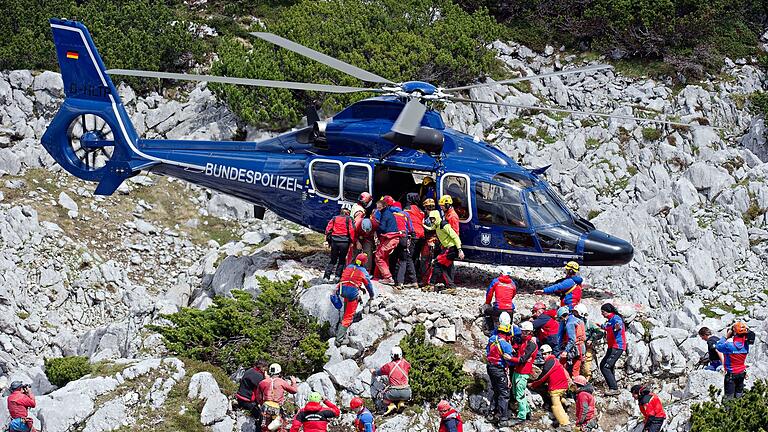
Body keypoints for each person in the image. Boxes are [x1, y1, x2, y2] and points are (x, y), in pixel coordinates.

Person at [335, 253, 375, 346]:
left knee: (346, 311)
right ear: (364, 262)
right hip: (352, 294)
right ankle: (339, 340)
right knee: (348, 316)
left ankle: (343, 330)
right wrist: (372, 295)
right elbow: (368, 285)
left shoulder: (349, 266)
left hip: (343, 290)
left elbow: (348, 279)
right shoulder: (363, 271)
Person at [529, 344, 570, 429]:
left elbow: (543, 376)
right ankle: (565, 402)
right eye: (543, 354)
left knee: (555, 405)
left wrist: (533, 384)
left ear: (549, 353)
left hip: (556, 387)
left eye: (545, 354)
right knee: (557, 396)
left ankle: (564, 423)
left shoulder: (550, 362)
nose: (544, 356)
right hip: (562, 385)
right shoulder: (554, 360)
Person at [508, 321, 538, 426]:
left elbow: (523, 359)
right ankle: (527, 411)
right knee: (517, 393)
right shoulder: (524, 342)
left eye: (524, 332)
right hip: (518, 370)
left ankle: (521, 417)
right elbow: (520, 355)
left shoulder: (531, 345)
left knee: (519, 394)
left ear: (529, 332)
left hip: (523, 372)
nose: (522, 333)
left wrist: (510, 358)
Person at [427, 210, 464, 293]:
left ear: (437, 217)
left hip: (451, 249)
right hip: (447, 248)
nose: (432, 221)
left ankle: (432, 284)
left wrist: (459, 249)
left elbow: (455, 236)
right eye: (431, 219)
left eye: (433, 219)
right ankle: (450, 286)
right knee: (444, 267)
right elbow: (430, 228)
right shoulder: (436, 225)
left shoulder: (444, 225)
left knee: (437, 263)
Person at [485, 321, 514, 426]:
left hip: (490, 367)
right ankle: (503, 418)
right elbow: (510, 361)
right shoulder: (506, 345)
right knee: (504, 393)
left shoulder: (492, 339)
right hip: (499, 369)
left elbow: (487, 352)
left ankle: (491, 414)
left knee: (495, 390)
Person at [716, 321, 753, 399]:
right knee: (739, 396)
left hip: (731, 375)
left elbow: (718, 346)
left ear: (735, 333)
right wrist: (745, 329)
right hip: (742, 373)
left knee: (729, 399)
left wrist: (726, 337)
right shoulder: (746, 345)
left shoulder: (729, 346)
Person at [370, 346, 412, 415]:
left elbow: (377, 373)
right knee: (402, 393)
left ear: (391, 356)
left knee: (381, 396)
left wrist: (373, 371)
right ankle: (401, 403)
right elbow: (409, 367)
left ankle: (391, 405)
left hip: (393, 393)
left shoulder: (388, 366)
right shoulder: (406, 363)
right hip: (407, 393)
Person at [373, 197, 402, 284]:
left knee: (379, 256)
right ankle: (383, 275)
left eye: (379, 208)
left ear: (384, 206)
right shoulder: (389, 213)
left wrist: (375, 228)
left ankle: (388, 277)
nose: (378, 210)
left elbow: (382, 228)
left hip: (390, 239)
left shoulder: (385, 215)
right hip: (394, 238)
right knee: (384, 257)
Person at [599, 303, 626, 395]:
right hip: (612, 346)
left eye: (602, 312)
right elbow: (607, 327)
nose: (601, 314)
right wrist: (600, 326)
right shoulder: (610, 320)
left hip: (617, 346)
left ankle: (614, 388)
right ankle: (613, 386)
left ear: (607, 311)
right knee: (606, 365)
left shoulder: (615, 318)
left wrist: (617, 327)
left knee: (605, 366)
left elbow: (618, 325)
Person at [573, 304, 604, 381]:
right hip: (575, 346)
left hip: (586, 347)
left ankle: (586, 379)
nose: (574, 314)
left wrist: (592, 339)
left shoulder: (589, 323)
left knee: (586, 365)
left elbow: (600, 332)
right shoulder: (572, 322)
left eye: (576, 312)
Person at [324, 205, 354, 281]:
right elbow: (351, 231)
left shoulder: (334, 218)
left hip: (334, 241)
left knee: (333, 259)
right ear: (348, 212)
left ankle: (326, 277)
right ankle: (337, 276)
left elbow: (328, 229)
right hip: (344, 242)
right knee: (342, 260)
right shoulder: (349, 219)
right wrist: (352, 241)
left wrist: (327, 240)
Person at [554, 306, 586, 378]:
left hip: (575, 348)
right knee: (576, 369)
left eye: (560, 318)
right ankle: (576, 383)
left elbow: (572, 339)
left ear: (563, 316)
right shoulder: (578, 320)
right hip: (581, 347)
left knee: (562, 363)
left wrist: (565, 351)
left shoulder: (569, 324)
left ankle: (565, 380)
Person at [235, 361, 268, 428]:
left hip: (240, 397)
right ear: (262, 368)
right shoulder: (258, 376)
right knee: (261, 416)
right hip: (247, 401)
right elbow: (263, 388)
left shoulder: (249, 370)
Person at [392, 202, 417, 289]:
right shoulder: (405, 214)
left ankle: (393, 279)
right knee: (404, 259)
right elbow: (410, 228)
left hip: (393, 238)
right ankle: (401, 282)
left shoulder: (390, 214)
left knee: (393, 258)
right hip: (404, 238)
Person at [404, 193, 425, 282]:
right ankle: (417, 275)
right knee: (416, 256)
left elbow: (404, 222)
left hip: (413, 235)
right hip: (421, 235)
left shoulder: (407, 209)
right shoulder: (421, 210)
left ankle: (412, 279)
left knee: (408, 257)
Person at [420, 198, 438, 288]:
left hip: (431, 240)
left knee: (426, 261)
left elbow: (432, 228)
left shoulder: (431, 217)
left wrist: (422, 225)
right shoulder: (434, 214)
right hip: (430, 240)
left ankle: (426, 281)